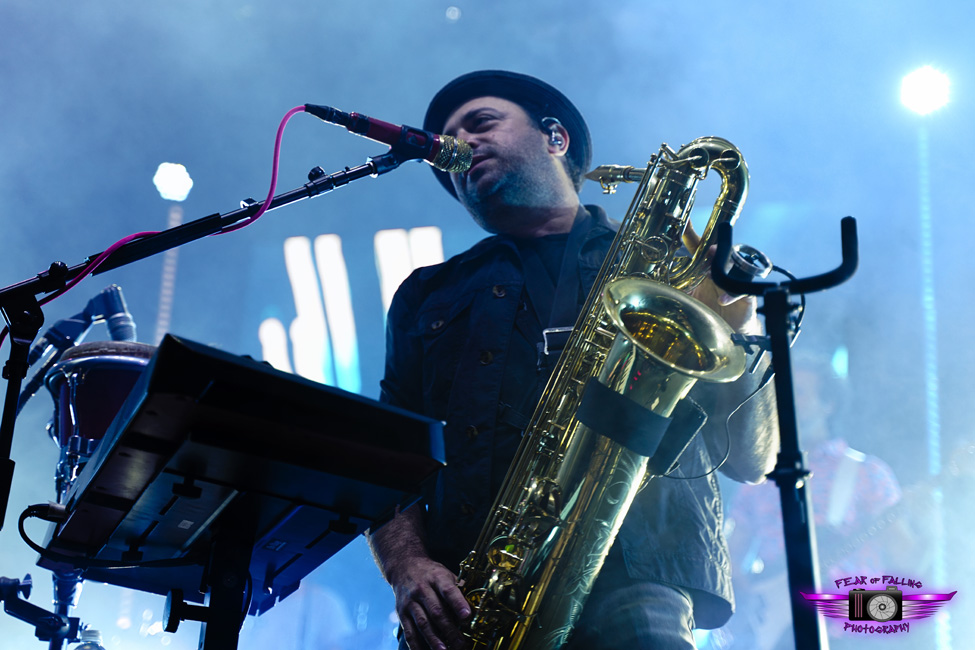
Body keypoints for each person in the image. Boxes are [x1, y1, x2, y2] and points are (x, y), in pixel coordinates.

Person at [367, 70, 779, 650]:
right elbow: (390, 458)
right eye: (449, 144)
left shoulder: (668, 269)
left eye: (481, 122)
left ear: (555, 137)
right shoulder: (427, 294)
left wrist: (737, 321)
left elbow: (753, 460)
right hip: (473, 599)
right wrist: (405, 566)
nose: (460, 144)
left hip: (641, 576)